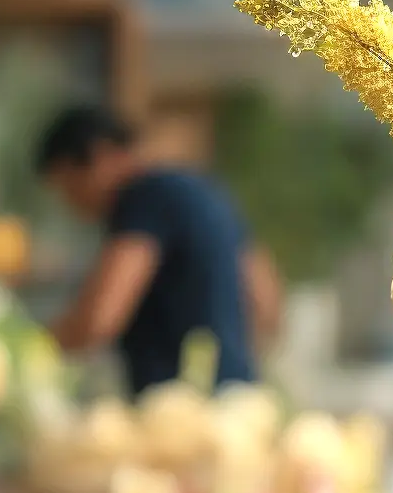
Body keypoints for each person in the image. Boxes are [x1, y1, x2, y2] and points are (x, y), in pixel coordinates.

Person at [35, 105, 278, 391]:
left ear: (99, 155)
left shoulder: (145, 199)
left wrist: (27, 347)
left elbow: (99, 320)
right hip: (237, 397)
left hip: (179, 403)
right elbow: (268, 304)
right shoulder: (206, 193)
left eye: (69, 187)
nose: (72, 205)